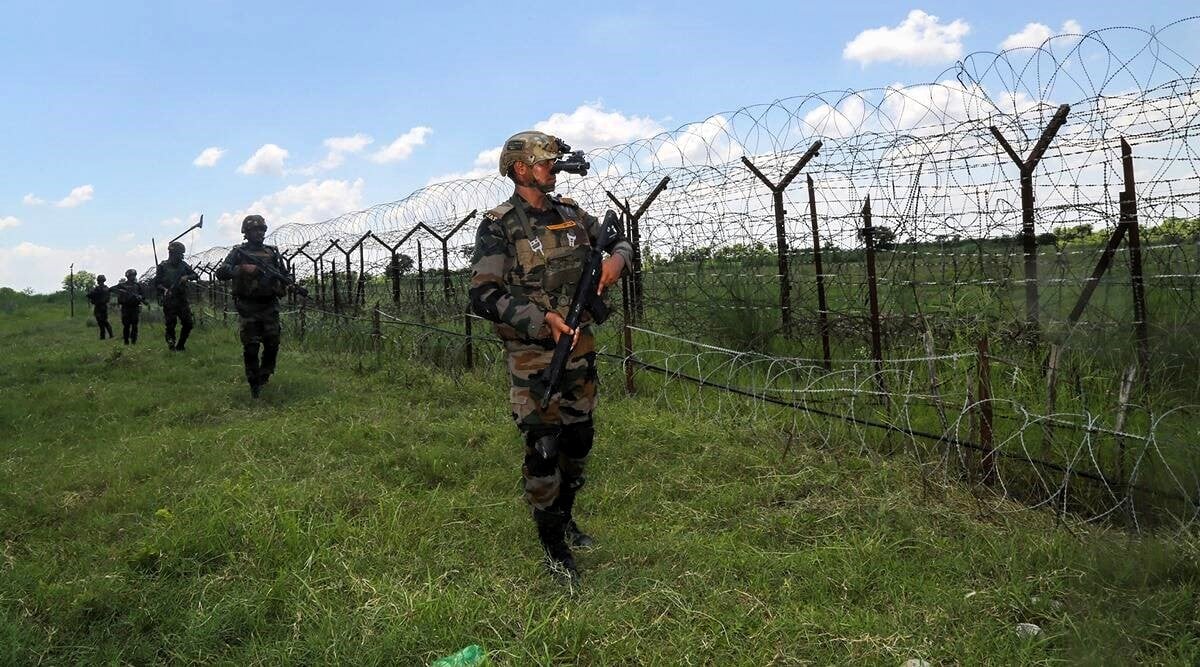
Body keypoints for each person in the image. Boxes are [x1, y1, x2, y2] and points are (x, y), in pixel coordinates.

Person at [469, 131, 632, 581]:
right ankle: (553, 543)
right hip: (533, 357)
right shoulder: (499, 226)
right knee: (544, 447)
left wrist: (618, 260)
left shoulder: (571, 214)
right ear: (521, 169)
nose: (553, 169)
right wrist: (541, 322)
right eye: (545, 163)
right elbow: (483, 295)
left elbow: (617, 241)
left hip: (579, 351)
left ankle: (566, 514)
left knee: (578, 443)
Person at [215, 214, 294, 398]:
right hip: (248, 306)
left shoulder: (272, 252)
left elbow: (283, 273)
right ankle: (254, 384)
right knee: (251, 346)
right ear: (246, 233)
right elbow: (222, 272)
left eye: (261, 230)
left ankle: (265, 375)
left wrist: (286, 282)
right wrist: (242, 269)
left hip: (269, 305)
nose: (259, 233)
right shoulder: (238, 253)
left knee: (272, 344)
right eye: (254, 230)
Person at [154, 241, 199, 351]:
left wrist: (187, 277)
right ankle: (171, 347)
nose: (181, 256)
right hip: (169, 300)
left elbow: (195, 275)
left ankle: (180, 345)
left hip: (182, 299)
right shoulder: (162, 266)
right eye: (179, 254)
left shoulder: (183, 265)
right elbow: (156, 283)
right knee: (170, 325)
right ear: (172, 254)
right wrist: (164, 290)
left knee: (188, 324)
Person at [114, 268, 145, 344]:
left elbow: (143, 295)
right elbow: (115, 292)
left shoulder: (138, 285)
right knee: (126, 326)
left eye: (134, 275)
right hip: (126, 308)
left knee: (135, 326)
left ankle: (134, 341)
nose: (133, 277)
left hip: (135, 308)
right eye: (131, 275)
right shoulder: (122, 285)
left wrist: (140, 297)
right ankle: (126, 341)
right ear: (128, 276)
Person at [85, 274, 114, 340]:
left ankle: (103, 337)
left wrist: (90, 291)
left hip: (98, 307)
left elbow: (89, 295)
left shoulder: (97, 289)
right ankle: (110, 335)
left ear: (98, 281)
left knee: (101, 323)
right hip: (104, 307)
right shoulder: (107, 289)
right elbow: (108, 298)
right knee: (105, 321)